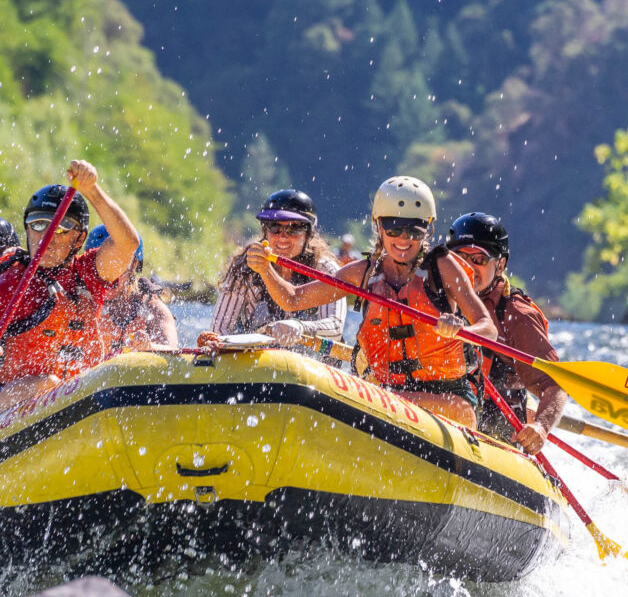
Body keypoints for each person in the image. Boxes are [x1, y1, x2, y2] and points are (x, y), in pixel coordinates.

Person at [246, 176, 497, 427]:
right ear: (379, 226)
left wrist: (462, 330)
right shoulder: (363, 273)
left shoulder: (442, 267)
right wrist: (265, 270)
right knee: (374, 397)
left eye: (413, 230)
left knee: (384, 400)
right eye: (393, 229)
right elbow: (293, 299)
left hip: (448, 401)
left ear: (427, 229)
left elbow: (488, 328)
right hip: (386, 396)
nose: (403, 239)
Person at [0, 160, 140, 411]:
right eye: (38, 225)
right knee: (47, 383)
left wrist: (91, 190)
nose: (47, 236)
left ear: (80, 239)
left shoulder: (88, 274)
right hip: (12, 407)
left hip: (79, 405)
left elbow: (127, 244)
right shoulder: (11, 281)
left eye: (61, 229)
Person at [445, 212, 567, 455]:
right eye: (461, 258)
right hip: (445, 413)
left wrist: (541, 427)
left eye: (478, 259)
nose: (468, 268)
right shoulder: (436, 294)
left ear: (500, 264)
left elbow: (554, 385)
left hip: (497, 433)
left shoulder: (516, 315)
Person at [200, 189, 346, 349]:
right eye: (274, 227)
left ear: (309, 233)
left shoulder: (326, 270)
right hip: (259, 359)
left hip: (312, 360)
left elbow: (335, 327)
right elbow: (220, 328)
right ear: (265, 230)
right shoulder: (244, 266)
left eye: (294, 228)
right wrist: (216, 342)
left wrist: (299, 326)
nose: (283, 236)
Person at [84, 225, 178, 355]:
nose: (109, 274)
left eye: (118, 263)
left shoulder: (152, 307)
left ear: (133, 264)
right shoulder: (79, 303)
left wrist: (150, 346)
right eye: (101, 265)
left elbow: (173, 352)